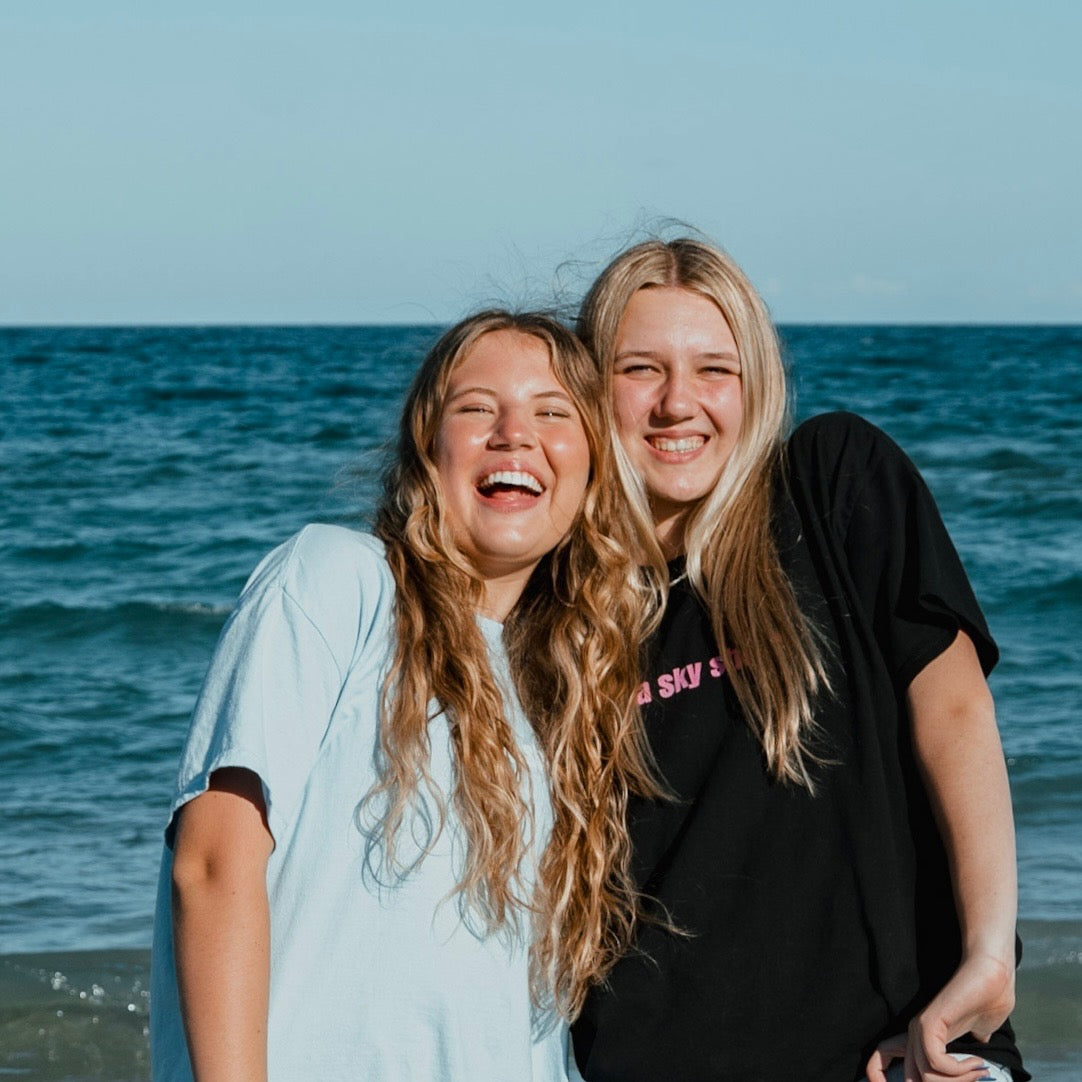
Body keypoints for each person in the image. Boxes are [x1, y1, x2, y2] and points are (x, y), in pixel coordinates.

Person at [149, 310, 658, 1081]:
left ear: (592, 466)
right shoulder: (338, 580)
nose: (514, 433)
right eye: (477, 407)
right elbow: (213, 864)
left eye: (553, 412)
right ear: (428, 448)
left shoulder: (562, 694)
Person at [568, 239, 1027, 1082]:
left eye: (715, 369)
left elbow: (955, 709)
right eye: (641, 369)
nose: (678, 403)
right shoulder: (564, 609)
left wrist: (989, 954)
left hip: (903, 1061)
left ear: (756, 384)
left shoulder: (831, 485)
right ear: (592, 387)